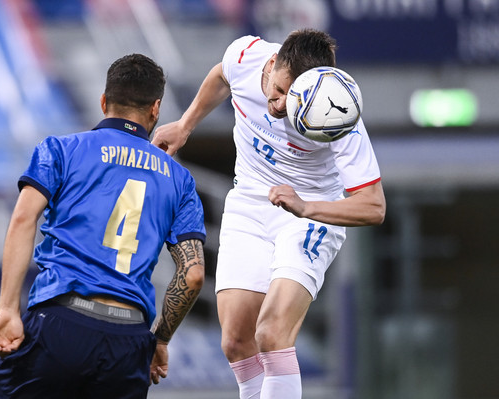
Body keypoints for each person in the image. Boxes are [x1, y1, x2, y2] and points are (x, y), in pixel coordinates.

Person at [151, 29, 386, 399]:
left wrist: (307, 207)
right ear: (273, 63)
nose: (277, 106)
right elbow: (220, 75)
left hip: (311, 213)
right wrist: (185, 125)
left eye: (288, 101)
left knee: (272, 333)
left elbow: (374, 205)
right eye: (276, 91)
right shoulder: (246, 57)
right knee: (236, 340)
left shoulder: (336, 111)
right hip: (249, 202)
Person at [0, 54, 206, 399]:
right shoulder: (181, 180)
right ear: (155, 109)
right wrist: (159, 339)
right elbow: (192, 276)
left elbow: (24, 219)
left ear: (104, 102)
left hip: (61, 323)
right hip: (129, 340)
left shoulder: (60, 150)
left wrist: (8, 309)